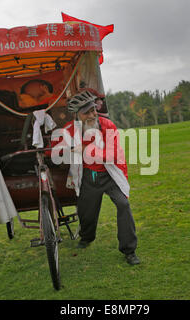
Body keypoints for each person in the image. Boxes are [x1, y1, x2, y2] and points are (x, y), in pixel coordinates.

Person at [51, 90, 140, 265]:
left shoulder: (107, 126)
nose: (92, 114)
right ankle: (86, 238)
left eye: (93, 110)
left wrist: (85, 150)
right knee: (86, 212)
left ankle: (129, 250)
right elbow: (55, 146)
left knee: (123, 204)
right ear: (77, 115)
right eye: (87, 112)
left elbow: (112, 155)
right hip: (88, 177)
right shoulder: (70, 129)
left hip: (110, 175)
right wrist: (62, 149)